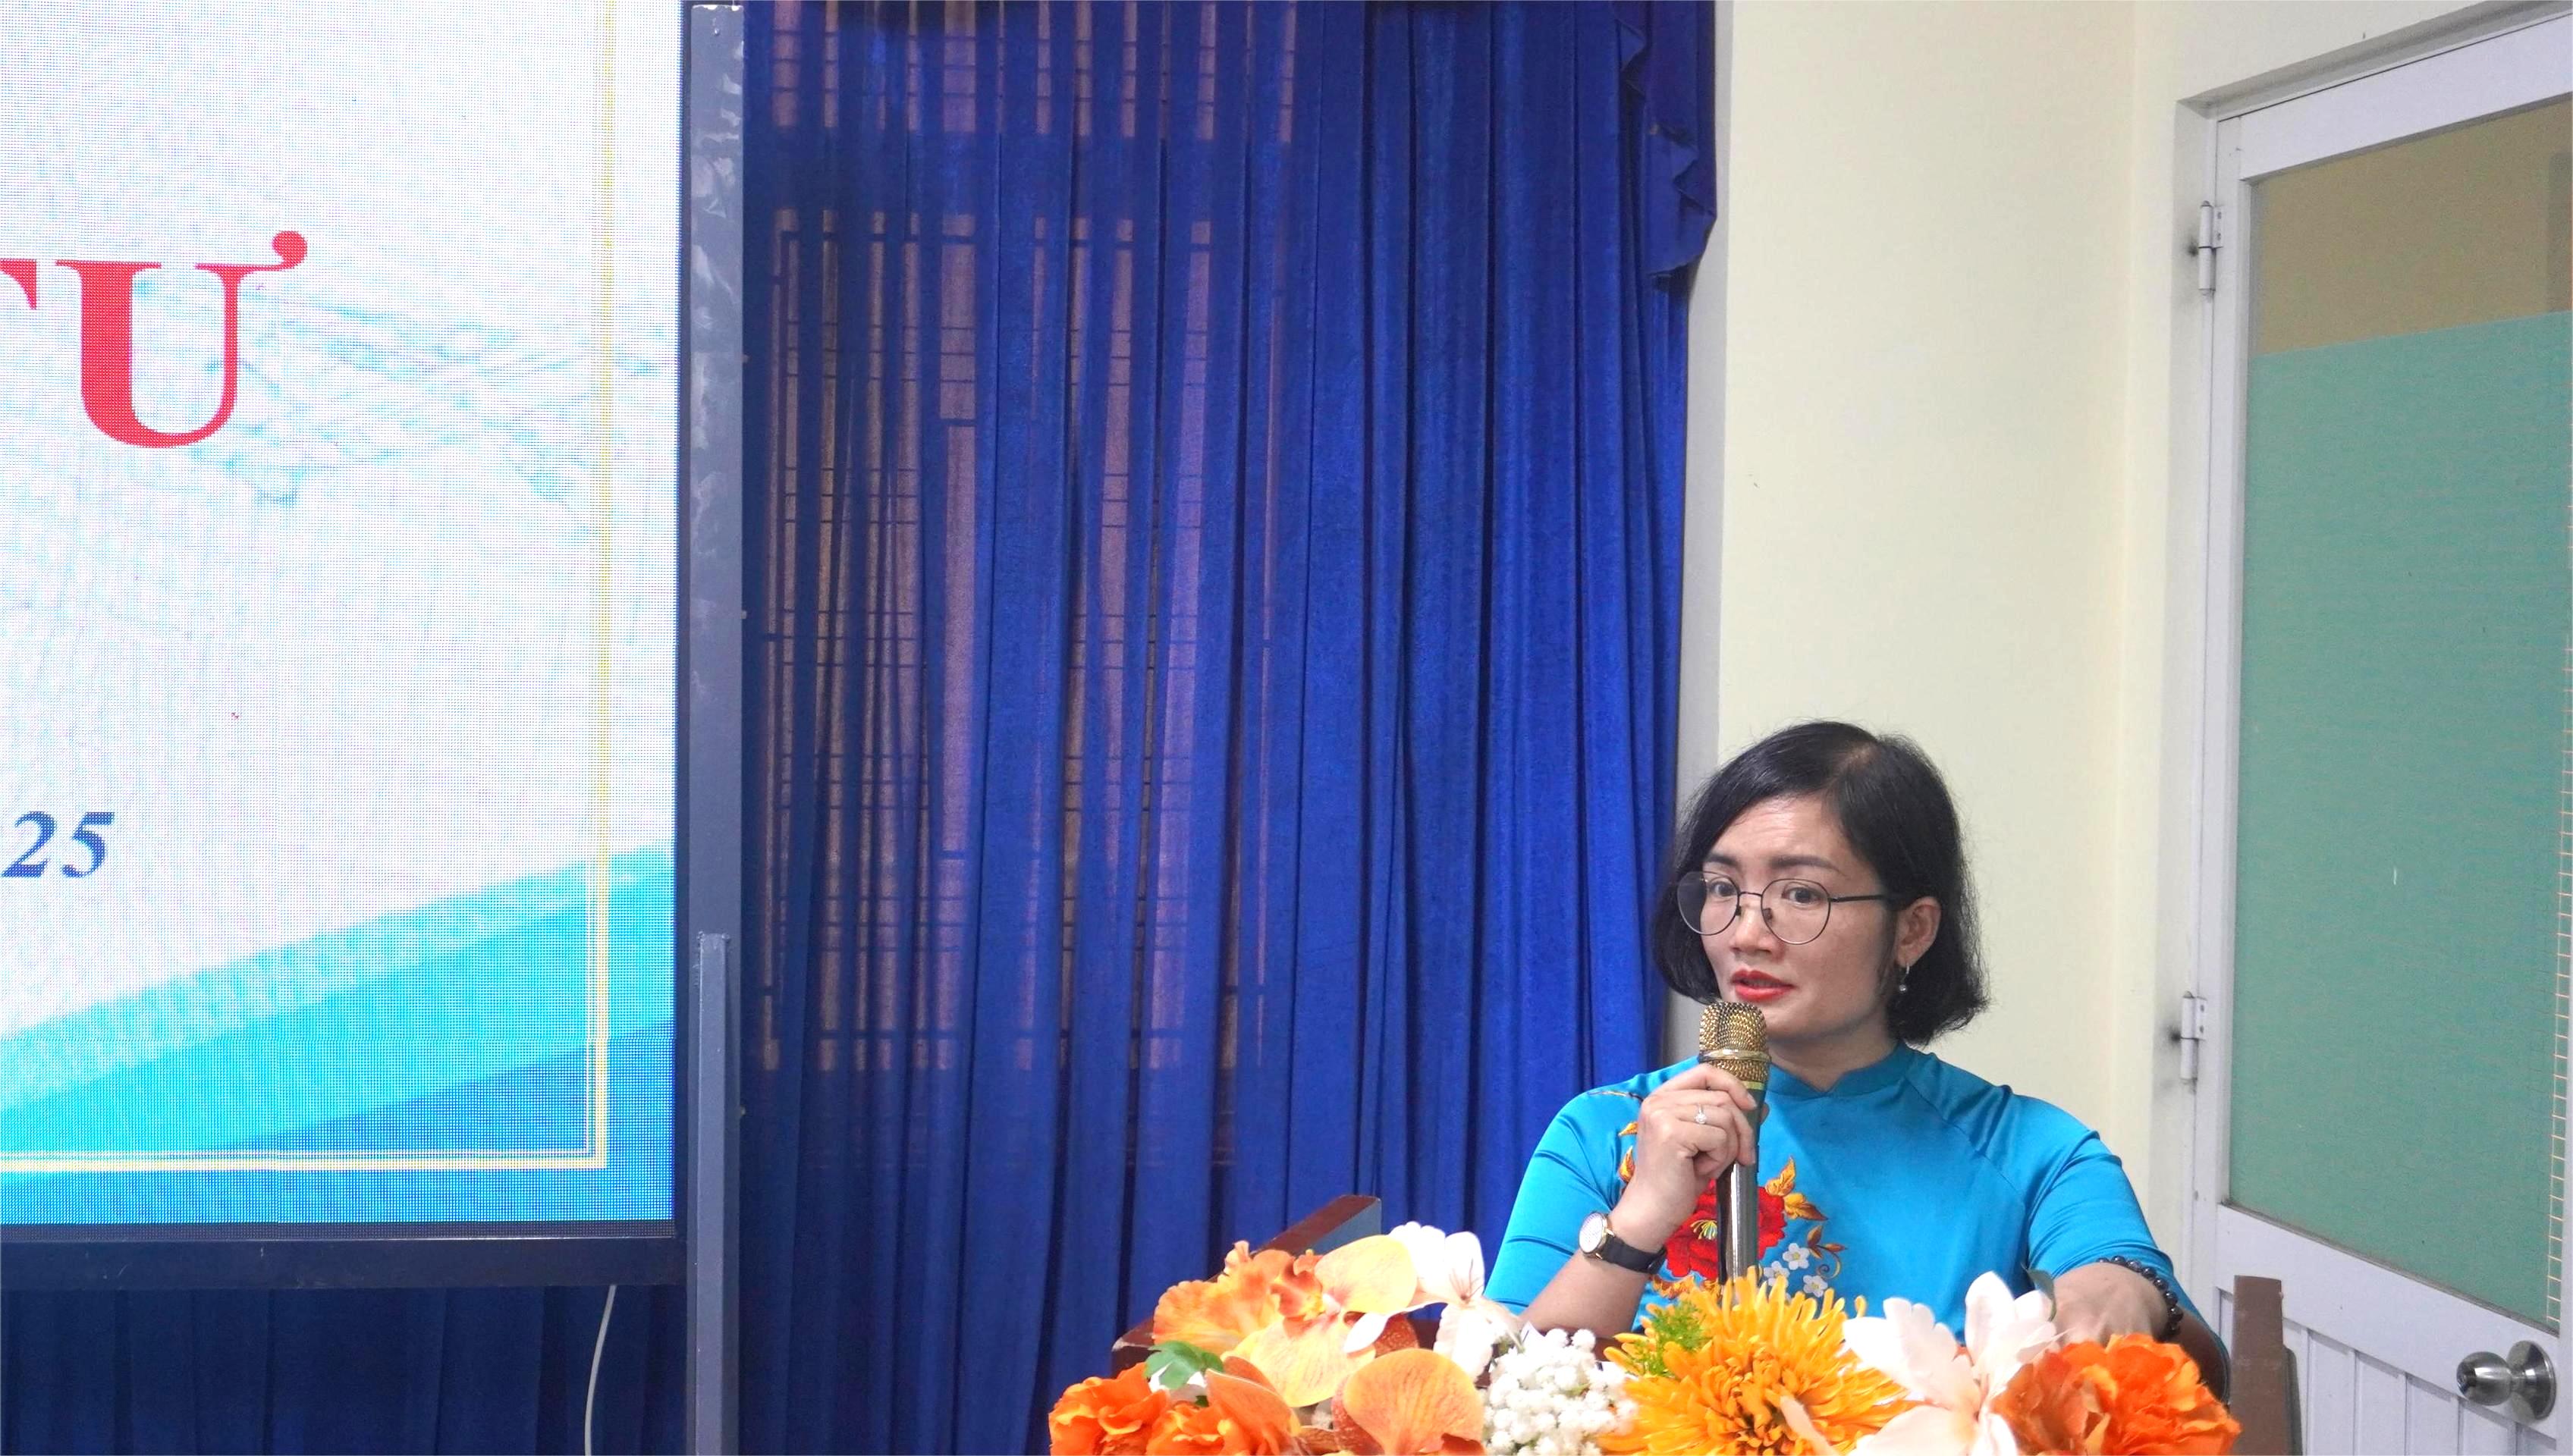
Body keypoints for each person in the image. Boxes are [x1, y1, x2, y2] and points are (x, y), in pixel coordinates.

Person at [1484, 720, 2223, 1382]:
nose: (1745, 933)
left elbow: (2201, 1374)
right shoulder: (1603, 1131)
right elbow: (1493, 1401)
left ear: (1912, 930)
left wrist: (2125, 1292)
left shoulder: (2031, 1152)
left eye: (1801, 894)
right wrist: (1640, 1219)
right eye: (1722, 887)